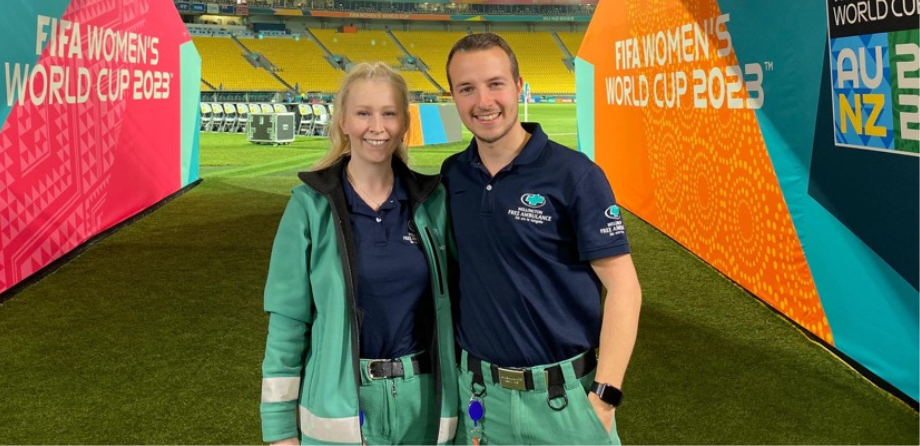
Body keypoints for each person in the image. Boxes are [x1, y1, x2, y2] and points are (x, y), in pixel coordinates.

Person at [441, 33, 642, 445]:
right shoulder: (453, 175)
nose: (483, 101)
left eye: (495, 84)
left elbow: (625, 288)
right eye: (467, 88)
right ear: (453, 97)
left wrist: (605, 397)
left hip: (564, 403)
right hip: (481, 401)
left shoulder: (576, 175)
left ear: (519, 86)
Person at [260, 62, 458, 445]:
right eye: (363, 113)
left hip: (423, 407)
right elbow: (287, 323)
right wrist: (279, 429)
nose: (377, 127)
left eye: (389, 113)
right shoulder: (309, 207)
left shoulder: (434, 203)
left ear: (405, 124)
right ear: (343, 122)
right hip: (340, 410)